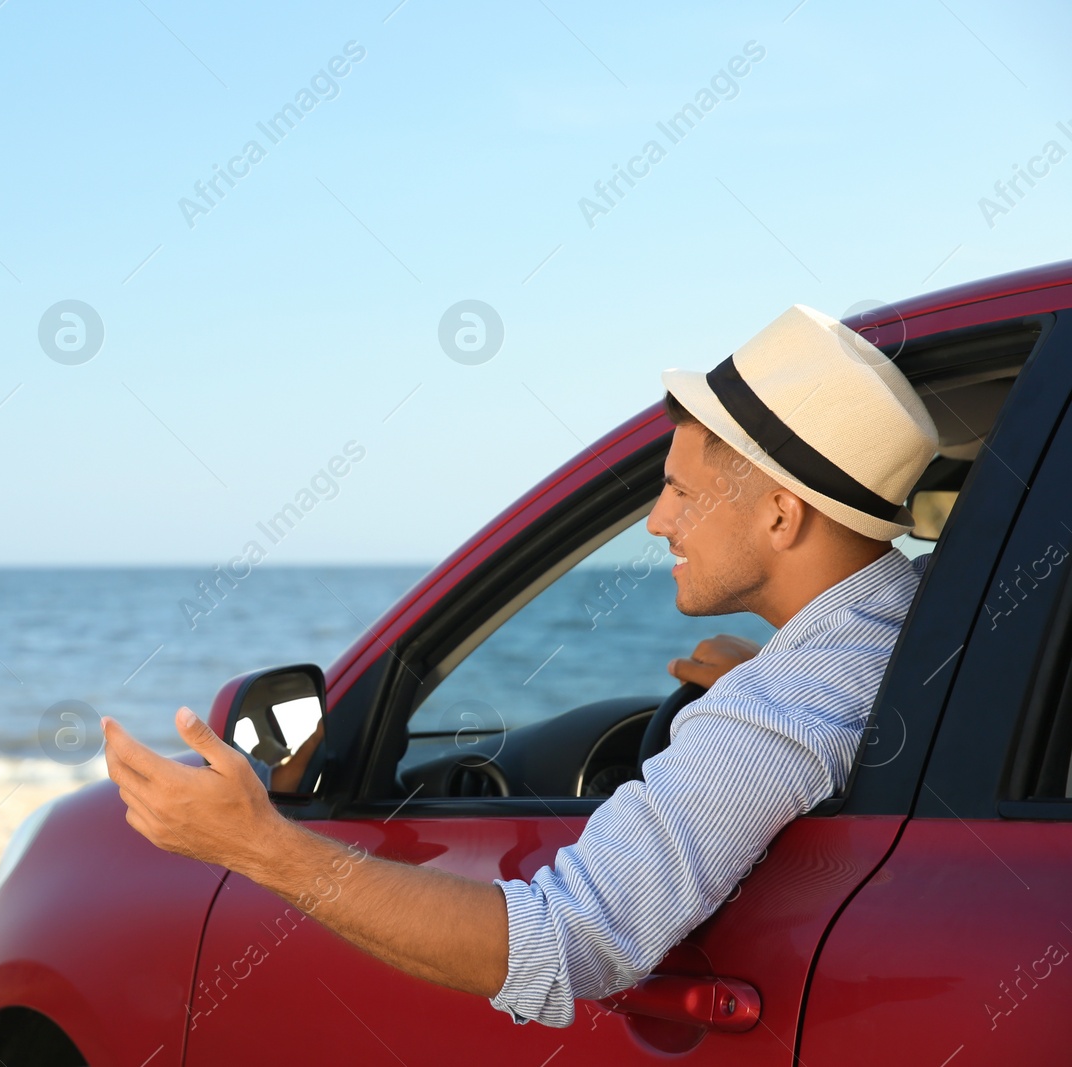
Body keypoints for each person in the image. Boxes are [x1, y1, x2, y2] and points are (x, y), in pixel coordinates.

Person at [101, 304, 939, 1026]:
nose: (655, 521)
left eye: (680, 491)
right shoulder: (905, 627)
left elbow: (566, 943)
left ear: (782, 515)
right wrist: (754, 685)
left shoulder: (782, 705)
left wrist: (261, 846)